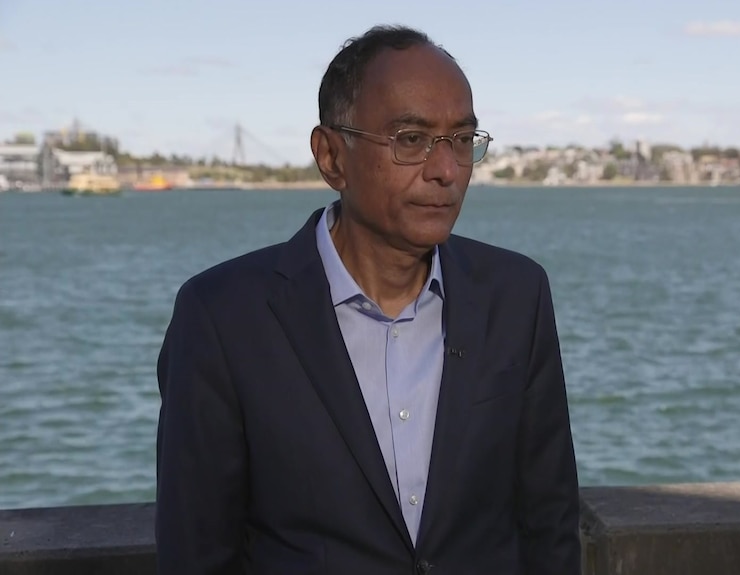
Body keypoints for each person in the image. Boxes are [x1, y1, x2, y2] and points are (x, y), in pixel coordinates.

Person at [155, 24, 581, 575]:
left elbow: (549, 524)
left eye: (461, 140)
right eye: (410, 139)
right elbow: (197, 552)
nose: (446, 170)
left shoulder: (517, 296)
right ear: (331, 156)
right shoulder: (221, 317)